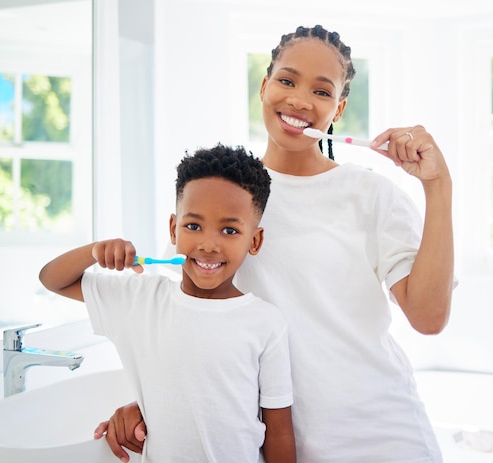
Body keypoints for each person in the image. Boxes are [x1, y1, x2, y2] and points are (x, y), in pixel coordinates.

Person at [98, 24, 454, 463]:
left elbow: (429, 317)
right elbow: (188, 325)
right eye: (286, 80)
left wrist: (438, 186)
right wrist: (155, 402)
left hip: (383, 436)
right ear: (264, 86)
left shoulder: (371, 195)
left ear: (338, 109)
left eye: (322, 92)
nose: (300, 100)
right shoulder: (226, 198)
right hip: (275, 444)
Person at [38, 144, 296, 463]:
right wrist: (96, 251)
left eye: (229, 230)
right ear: (174, 229)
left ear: (254, 241)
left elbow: (279, 430)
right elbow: (52, 279)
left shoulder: (265, 323)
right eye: (193, 226)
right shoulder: (139, 299)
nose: (208, 244)